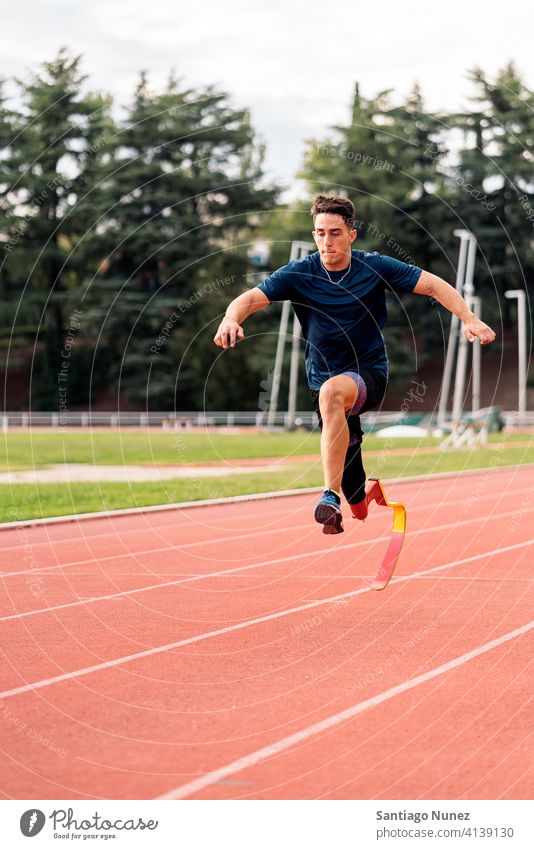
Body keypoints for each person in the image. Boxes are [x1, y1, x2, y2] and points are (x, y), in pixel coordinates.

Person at [213, 194, 496, 534]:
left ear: (351, 234)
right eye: (319, 233)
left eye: (334, 232)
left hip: (369, 375)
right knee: (357, 501)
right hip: (324, 386)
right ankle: (357, 494)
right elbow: (249, 299)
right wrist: (230, 319)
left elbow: (433, 284)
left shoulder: (373, 267)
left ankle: (327, 496)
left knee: (333, 394)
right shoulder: (300, 274)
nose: (326, 241)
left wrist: (468, 317)